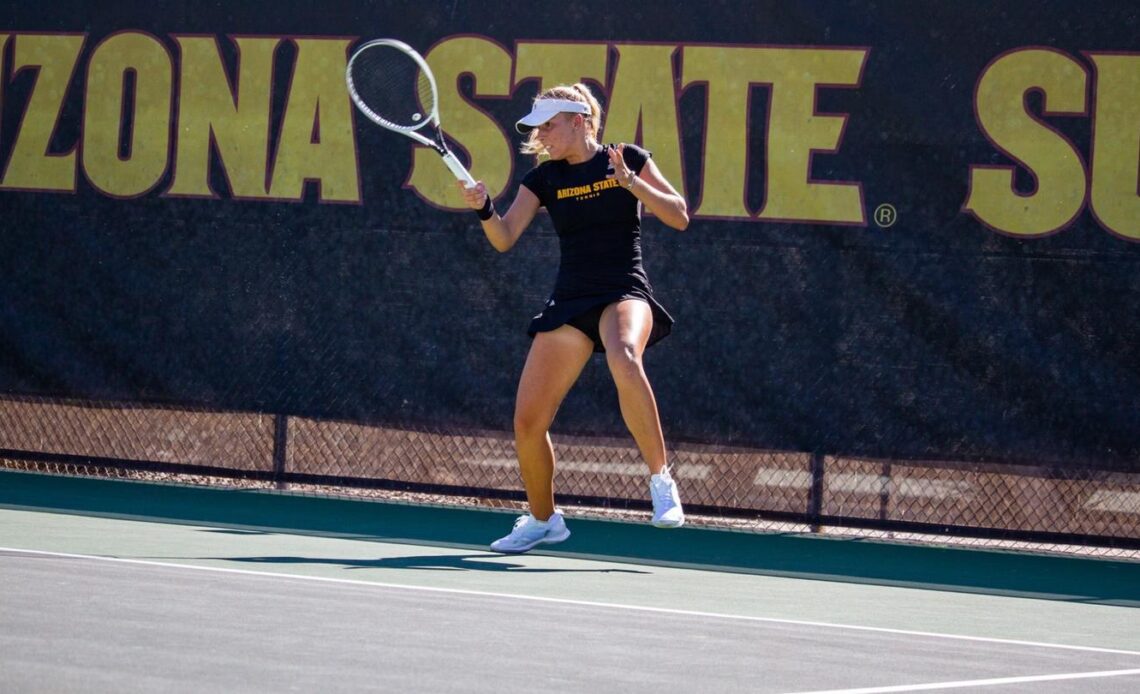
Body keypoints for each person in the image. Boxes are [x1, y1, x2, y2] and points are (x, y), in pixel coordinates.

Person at [458, 83, 689, 554]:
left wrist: (633, 184)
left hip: (624, 291)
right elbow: (504, 237)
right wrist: (484, 207)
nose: (541, 135)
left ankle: (661, 482)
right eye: (537, 128)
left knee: (625, 356)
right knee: (527, 422)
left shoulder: (628, 158)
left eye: (549, 125)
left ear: (579, 120)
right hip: (570, 300)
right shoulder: (542, 179)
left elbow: (680, 215)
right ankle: (544, 521)